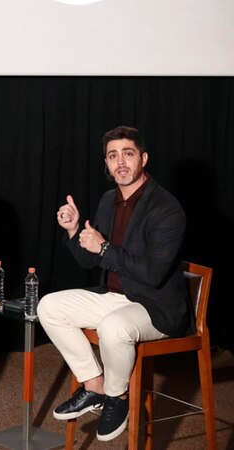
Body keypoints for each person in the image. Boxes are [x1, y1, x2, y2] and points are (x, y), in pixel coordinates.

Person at [38, 125, 191, 442]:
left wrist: (104, 248)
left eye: (128, 153)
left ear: (143, 158)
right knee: (48, 306)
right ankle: (94, 384)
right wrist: (74, 229)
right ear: (106, 164)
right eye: (112, 156)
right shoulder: (109, 200)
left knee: (113, 327)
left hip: (155, 305)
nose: (120, 162)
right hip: (116, 297)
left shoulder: (167, 208)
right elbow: (90, 260)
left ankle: (116, 398)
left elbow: (152, 274)